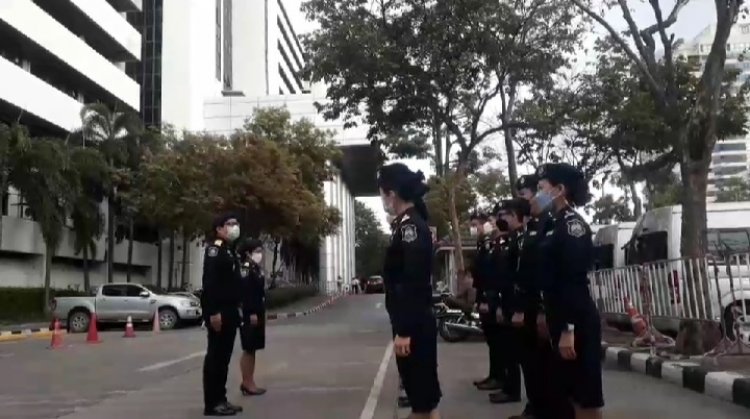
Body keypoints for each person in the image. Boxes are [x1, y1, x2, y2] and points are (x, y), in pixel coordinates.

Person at [535, 163, 604, 419]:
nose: (538, 194)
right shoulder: (553, 224)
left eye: (542, 188)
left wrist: (568, 329)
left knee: (583, 397)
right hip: (560, 316)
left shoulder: (573, 226)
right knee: (567, 394)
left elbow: (572, 281)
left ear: (559, 189)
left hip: (576, 321)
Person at [379, 162, 441, 419]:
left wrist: (404, 331)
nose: (382, 200)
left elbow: (412, 282)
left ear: (391, 194)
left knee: (421, 404)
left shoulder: (410, 228)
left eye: (382, 194)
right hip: (414, 323)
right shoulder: (407, 225)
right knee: (424, 402)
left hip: (413, 326)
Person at [201, 214, 244, 416]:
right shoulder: (215, 251)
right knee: (215, 359)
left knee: (224, 359)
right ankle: (212, 403)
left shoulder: (229, 250)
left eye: (236, 223)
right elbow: (210, 284)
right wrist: (213, 313)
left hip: (230, 310)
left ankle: (221, 399)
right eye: (230, 224)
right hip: (219, 311)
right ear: (219, 229)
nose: (235, 227)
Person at [487, 204, 521, 405]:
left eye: (502, 216)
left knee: (511, 350)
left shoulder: (514, 241)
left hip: (511, 302)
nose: (498, 220)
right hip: (502, 301)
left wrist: (502, 303)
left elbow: (509, 276)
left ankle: (512, 390)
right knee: (503, 348)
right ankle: (505, 385)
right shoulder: (499, 242)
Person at [469, 212, 504, 392]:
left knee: (498, 342)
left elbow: (492, 276)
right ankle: (494, 375)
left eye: (476, 225)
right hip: (484, 296)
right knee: (491, 341)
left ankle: (500, 378)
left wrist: (488, 300)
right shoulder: (483, 244)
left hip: (492, 298)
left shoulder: (495, 244)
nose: (473, 229)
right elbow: (478, 276)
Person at [237, 238, 267, 397]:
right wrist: (252, 312)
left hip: (257, 311)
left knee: (253, 348)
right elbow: (245, 293)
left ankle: (250, 381)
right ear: (248, 253)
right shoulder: (246, 269)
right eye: (257, 251)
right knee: (248, 348)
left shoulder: (255, 268)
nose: (260, 254)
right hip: (250, 314)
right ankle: (247, 383)